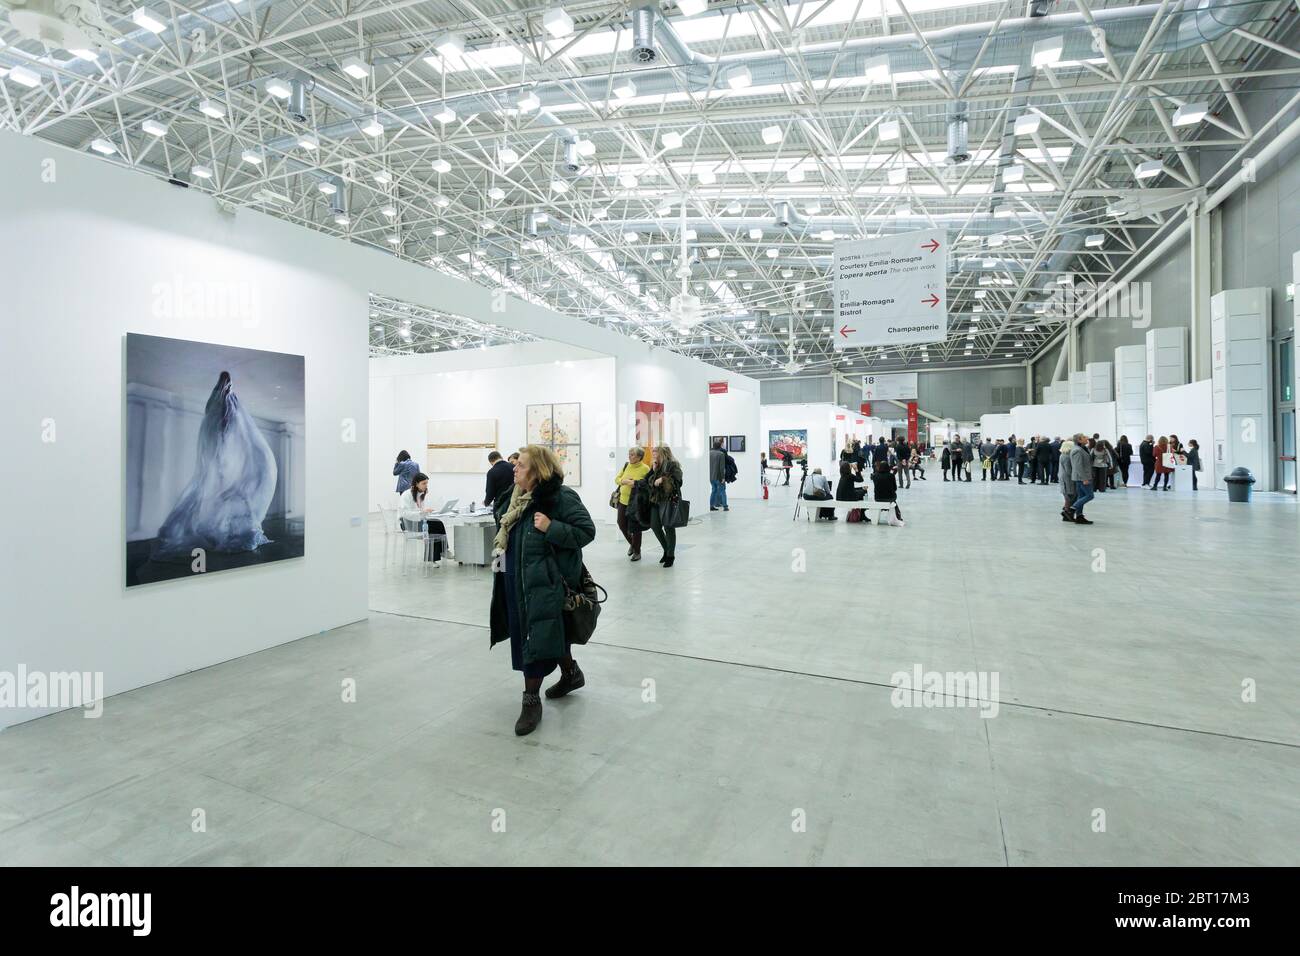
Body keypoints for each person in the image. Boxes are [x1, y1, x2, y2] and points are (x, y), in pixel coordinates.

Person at [489, 444, 595, 737]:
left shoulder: (560, 498)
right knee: (545, 630)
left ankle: (530, 701)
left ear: (538, 472)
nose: (514, 468)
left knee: (533, 634)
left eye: (521, 465)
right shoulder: (512, 499)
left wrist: (552, 528)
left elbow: (587, 532)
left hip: (545, 584)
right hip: (515, 579)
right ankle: (571, 673)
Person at [399, 472, 448, 562]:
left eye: (427, 483)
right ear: (416, 484)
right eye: (423, 483)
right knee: (435, 525)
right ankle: (441, 552)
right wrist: (422, 512)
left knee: (437, 523)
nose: (426, 485)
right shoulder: (406, 495)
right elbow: (405, 513)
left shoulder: (420, 495)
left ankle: (440, 553)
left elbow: (421, 512)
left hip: (418, 522)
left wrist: (427, 512)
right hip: (407, 523)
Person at [648, 445, 684, 566]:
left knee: (669, 527)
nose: (653, 454)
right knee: (655, 526)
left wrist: (663, 479)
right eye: (653, 452)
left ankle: (670, 555)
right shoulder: (655, 465)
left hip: (668, 500)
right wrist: (653, 470)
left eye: (655, 452)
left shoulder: (673, 464)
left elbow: (678, 481)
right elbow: (649, 481)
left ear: (662, 453)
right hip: (655, 500)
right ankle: (666, 549)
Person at [613, 446, 651, 561]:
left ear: (639, 457)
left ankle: (637, 552)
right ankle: (634, 545)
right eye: (629, 454)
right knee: (621, 523)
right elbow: (617, 479)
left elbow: (647, 485)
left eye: (632, 455)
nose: (629, 456)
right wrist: (623, 481)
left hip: (636, 502)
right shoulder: (626, 465)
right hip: (623, 501)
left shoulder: (645, 468)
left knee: (635, 527)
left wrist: (635, 483)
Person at [1068, 433, 1095, 523]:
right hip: (1082, 477)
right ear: (1079, 440)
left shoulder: (1083, 448)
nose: (1086, 438)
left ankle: (1079, 516)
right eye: (1084, 437)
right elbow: (1078, 466)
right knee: (1090, 495)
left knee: (1081, 496)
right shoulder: (1077, 450)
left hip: (1082, 476)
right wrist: (1084, 478)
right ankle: (1072, 509)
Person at [871, 460, 904, 526]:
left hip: (878, 497)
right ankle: (898, 516)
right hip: (890, 498)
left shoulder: (875, 476)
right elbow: (895, 488)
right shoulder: (891, 476)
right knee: (894, 502)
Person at [1058, 438, 1077, 522]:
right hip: (1068, 479)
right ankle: (1067, 512)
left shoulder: (1063, 455)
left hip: (1064, 478)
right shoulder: (1067, 457)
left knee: (1068, 497)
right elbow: (1069, 470)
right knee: (1071, 496)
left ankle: (1067, 514)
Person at [709, 438, 729, 512]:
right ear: (719, 446)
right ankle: (725, 506)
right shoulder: (721, 454)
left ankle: (711, 506)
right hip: (718, 477)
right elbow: (721, 467)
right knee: (722, 491)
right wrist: (723, 477)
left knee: (713, 490)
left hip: (711, 477)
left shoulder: (709, 453)